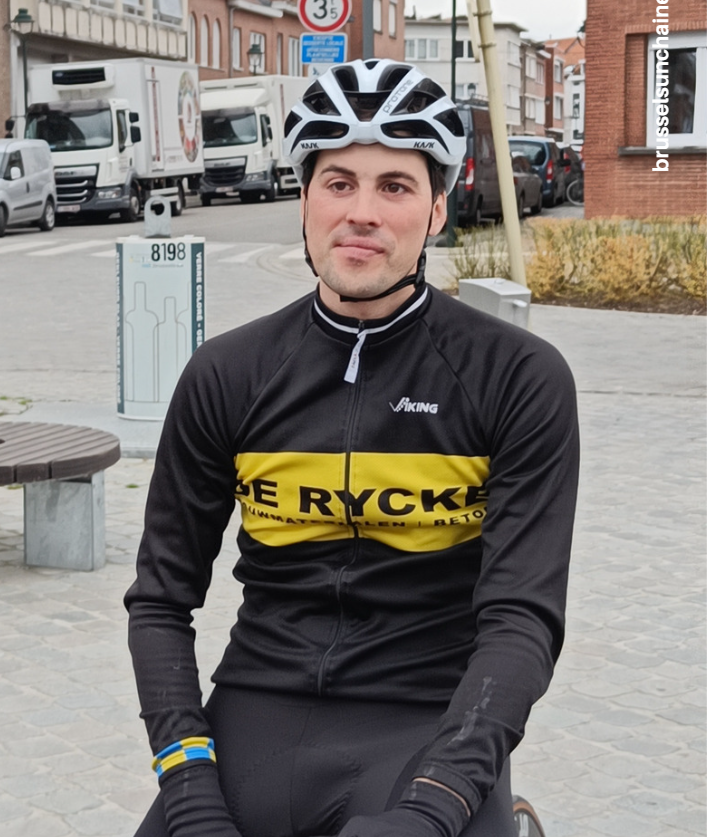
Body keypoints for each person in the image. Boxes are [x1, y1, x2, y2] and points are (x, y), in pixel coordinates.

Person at [125, 59, 579, 837]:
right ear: (303, 199)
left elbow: (521, 621)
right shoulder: (227, 374)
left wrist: (437, 807)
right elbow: (162, 601)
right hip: (255, 708)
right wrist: (189, 789)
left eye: (394, 187)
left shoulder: (517, 377)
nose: (361, 212)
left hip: (427, 717)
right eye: (338, 183)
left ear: (438, 210)